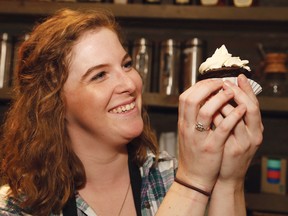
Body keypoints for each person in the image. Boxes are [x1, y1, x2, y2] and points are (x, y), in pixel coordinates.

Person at [0, 8, 263, 216]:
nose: (130, 83)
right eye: (99, 75)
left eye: (126, 65)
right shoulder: (19, 206)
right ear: (53, 103)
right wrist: (192, 183)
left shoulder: (168, 175)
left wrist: (231, 180)